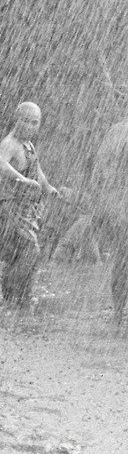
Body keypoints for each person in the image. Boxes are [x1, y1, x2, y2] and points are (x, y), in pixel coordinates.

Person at [0, 101, 71, 308]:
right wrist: (20, 179)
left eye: (35, 122)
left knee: (19, 254)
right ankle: (13, 297)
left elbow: (38, 171)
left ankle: (20, 297)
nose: (31, 126)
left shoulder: (29, 145)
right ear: (17, 119)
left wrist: (49, 188)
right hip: (8, 207)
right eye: (26, 121)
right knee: (30, 251)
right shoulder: (10, 143)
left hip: (25, 209)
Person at [89, 117, 128, 324]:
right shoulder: (119, 132)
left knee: (122, 260)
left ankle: (118, 313)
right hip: (120, 206)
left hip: (115, 206)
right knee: (123, 259)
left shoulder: (115, 130)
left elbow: (98, 172)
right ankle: (118, 313)